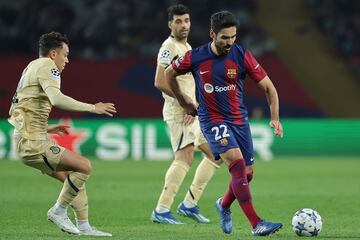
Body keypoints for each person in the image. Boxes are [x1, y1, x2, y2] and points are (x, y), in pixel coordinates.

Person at [165, 11, 284, 236]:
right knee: (237, 166)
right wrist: (184, 101)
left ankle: (223, 205)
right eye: (224, 38)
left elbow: (269, 88)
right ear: (212, 34)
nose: (229, 42)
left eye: (233, 37)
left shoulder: (241, 55)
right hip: (212, 120)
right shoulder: (196, 57)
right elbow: (168, 74)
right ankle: (256, 223)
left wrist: (275, 118)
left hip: (239, 120)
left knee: (247, 173)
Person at [8, 32, 116, 236]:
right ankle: (58, 211)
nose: (67, 60)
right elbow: (56, 98)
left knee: (71, 178)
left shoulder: (31, 67)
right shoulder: (48, 66)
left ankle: (84, 226)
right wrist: (93, 107)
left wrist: (46, 128)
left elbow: (18, 108)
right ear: (53, 53)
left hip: (28, 138)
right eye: (65, 55)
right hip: (33, 143)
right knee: (84, 166)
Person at [151, 4, 222, 224]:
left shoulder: (187, 46)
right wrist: (185, 103)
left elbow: (188, 83)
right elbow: (160, 81)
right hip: (178, 111)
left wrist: (196, 105)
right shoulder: (169, 47)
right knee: (185, 157)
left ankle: (189, 204)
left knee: (215, 155)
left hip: (192, 111)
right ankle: (161, 209)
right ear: (170, 24)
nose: (184, 25)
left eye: (187, 20)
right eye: (179, 21)